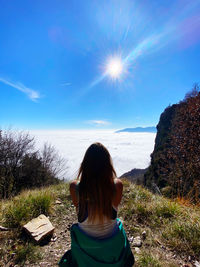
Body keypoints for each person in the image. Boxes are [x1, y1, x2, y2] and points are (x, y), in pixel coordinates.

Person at [59, 143, 134, 267]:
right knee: (119, 224)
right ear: (108, 165)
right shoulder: (117, 186)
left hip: (86, 250)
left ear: (85, 165)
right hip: (112, 250)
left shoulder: (75, 188)